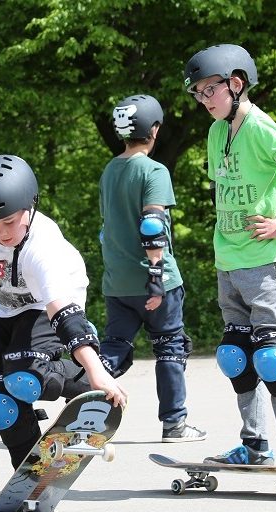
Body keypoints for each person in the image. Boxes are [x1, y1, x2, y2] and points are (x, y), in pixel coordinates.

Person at [183, 44, 276, 467]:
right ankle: (254, 445)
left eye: (211, 90)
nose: (204, 100)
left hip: (265, 265)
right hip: (229, 262)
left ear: (236, 84)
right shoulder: (215, 132)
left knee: (271, 356)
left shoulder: (260, 127)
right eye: (198, 93)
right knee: (235, 356)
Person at [0, 154, 127, 468]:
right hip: (4, 307)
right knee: (1, 404)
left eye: (9, 222)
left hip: (48, 302)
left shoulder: (43, 249)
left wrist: (96, 371)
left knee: (26, 378)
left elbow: (63, 315)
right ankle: (30, 476)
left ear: (30, 206)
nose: (0, 232)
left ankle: (86, 379)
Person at [98, 94, 206, 443]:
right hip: (152, 282)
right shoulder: (154, 170)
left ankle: (84, 405)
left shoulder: (110, 170)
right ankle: (174, 424)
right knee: (170, 346)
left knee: (114, 347)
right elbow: (152, 224)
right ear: (154, 130)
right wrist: (157, 276)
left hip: (117, 282)